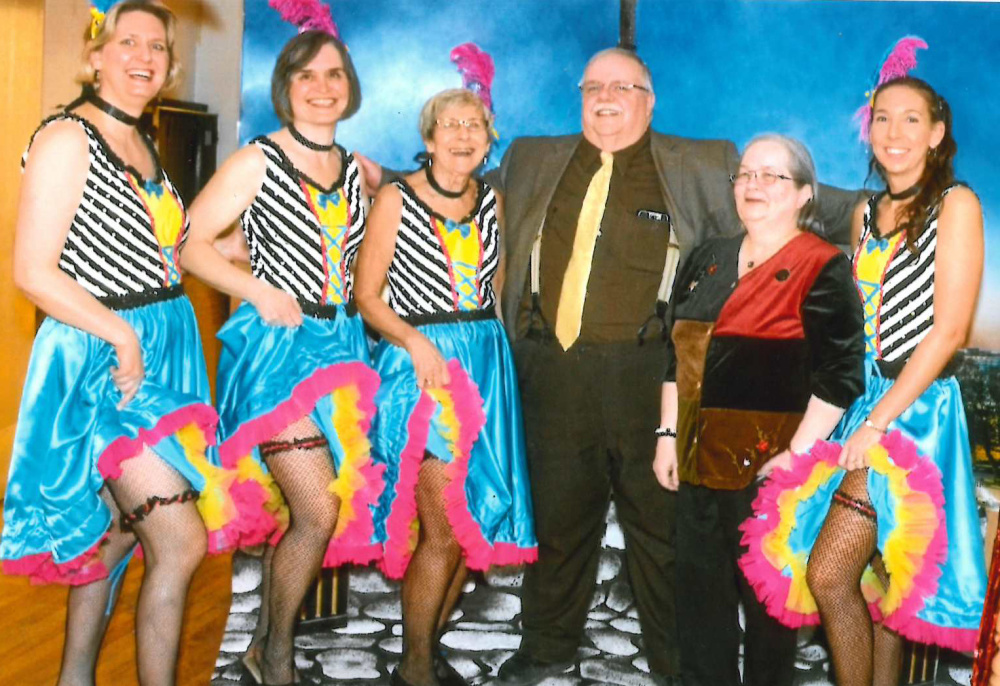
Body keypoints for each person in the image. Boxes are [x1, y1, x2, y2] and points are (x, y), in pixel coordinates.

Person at [487, 48, 864, 686]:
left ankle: (676, 667)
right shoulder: (531, 157)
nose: (606, 98)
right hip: (551, 369)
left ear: (649, 98)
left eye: (623, 87)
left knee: (660, 537)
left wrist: (887, 208)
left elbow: (808, 195)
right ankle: (546, 648)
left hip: (650, 372)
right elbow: (462, 182)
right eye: (593, 87)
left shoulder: (704, 160)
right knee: (558, 521)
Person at [0, 2, 237, 684]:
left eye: (157, 47)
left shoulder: (141, 137)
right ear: (94, 56)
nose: (144, 55)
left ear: (171, 66)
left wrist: (264, 276)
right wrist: (121, 339)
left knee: (117, 538)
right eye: (127, 42)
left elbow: (174, 247)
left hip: (161, 351)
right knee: (181, 542)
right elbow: (32, 270)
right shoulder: (68, 138)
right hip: (101, 363)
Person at [740, 77, 987, 686]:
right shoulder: (864, 213)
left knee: (830, 572)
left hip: (915, 411)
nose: (894, 133)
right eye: (882, 119)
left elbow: (950, 331)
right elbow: (855, 334)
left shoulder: (957, 204)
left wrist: (880, 424)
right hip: (862, 405)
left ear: (936, 134)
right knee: (872, 582)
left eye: (911, 120)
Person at [180, 30, 382, 686]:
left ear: (348, 86)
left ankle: (264, 642)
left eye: (334, 75)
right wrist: (256, 288)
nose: (323, 87)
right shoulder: (256, 161)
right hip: (276, 355)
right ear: (285, 88)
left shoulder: (358, 169)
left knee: (322, 510)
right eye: (307, 76)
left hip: (341, 350)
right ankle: (276, 654)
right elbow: (191, 244)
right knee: (318, 508)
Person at [651, 134, 865, 686]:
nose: (754, 186)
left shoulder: (823, 267)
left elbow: (840, 377)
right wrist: (667, 435)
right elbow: (679, 355)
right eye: (746, 174)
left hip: (769, 474)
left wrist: (795, 457)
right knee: (699, 606)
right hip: (697, 461)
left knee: (770, 617)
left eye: (773, 176)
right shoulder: (708, 257)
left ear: (804, 195)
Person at [355, 88, 537, 686]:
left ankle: (423, 652)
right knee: (445, 527)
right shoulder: (395, 199)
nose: (463, 134)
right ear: (429, 138)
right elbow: (368, 298)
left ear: (489, 138)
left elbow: (496, 293)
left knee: (467, 532)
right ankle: (415, 670)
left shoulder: (493, 201)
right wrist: (417, 342)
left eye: (475, 124)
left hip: (484, 366)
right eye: (450, 125)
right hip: (422, 370)